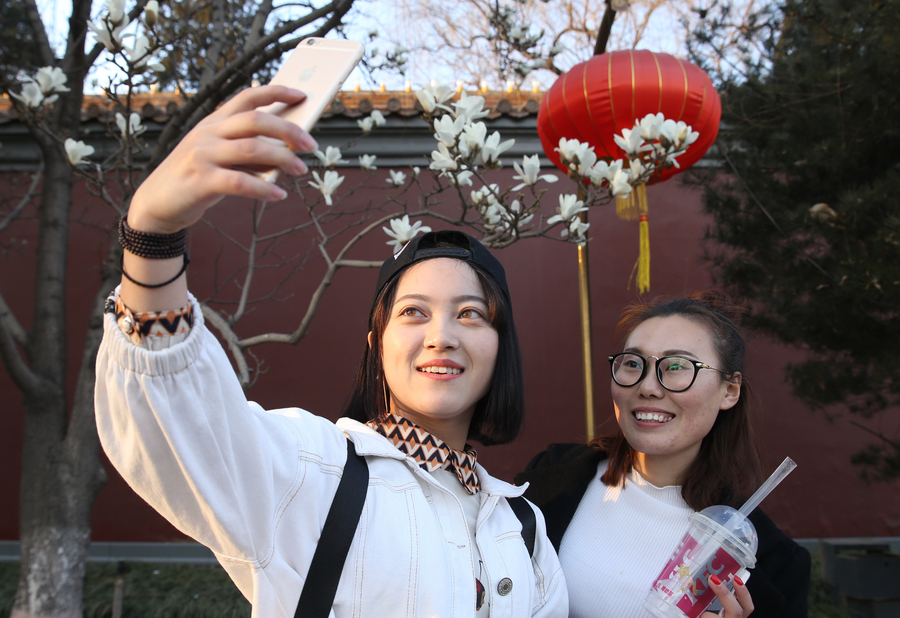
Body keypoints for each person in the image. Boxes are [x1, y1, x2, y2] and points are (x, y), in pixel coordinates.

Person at [94, 84, 567, 618]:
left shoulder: (522, 530)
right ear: (377, 343)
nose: (442, 336)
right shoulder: (310, 471)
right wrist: (153, 238)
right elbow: (182, 427)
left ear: (500, 348)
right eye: (413, 312)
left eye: (471, 314)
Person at [515, 292, 810, 618]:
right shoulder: (553, 477)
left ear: (729, 391)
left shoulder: (772, 562)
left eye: (676, 366)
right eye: (632, 364)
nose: (648, 387)